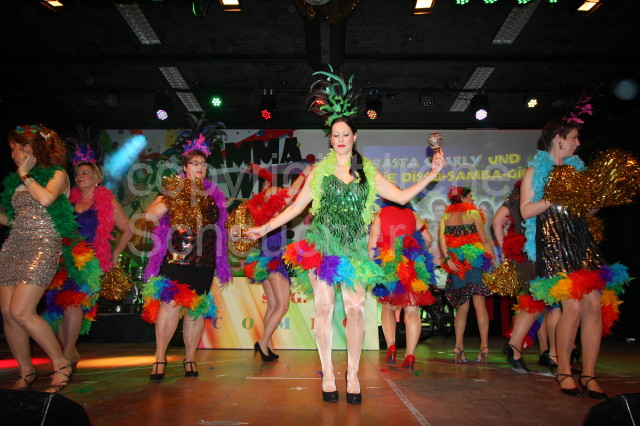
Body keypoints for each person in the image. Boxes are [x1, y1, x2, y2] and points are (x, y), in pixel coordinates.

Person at [247, 69, 444, 404]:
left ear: (354, 137)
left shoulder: (367, 172)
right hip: (322, 244)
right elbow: (296, 208)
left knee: (356, 310)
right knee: (324, 308)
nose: (339, 139)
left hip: (354, 247)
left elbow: (400, 197)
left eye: (345, 134)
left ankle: (352, 374)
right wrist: (263, 228)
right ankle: (328, 373)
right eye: (335, 134)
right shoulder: (319, 172)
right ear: (330, 139)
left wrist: (432, 173)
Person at [522, 116, 630, 399]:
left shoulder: (578, 171)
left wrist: (599, 198)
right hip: (554, 244)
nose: (578, 143)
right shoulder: (535, 171)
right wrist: (554, 195)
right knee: (572, 307)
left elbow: (587, 213)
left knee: (593, 305)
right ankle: (564, 371)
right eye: (573, 137)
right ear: (558, 139)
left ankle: (589, 375)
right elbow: (526, 211)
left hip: (581, 241)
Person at [0, 125, 100, 392]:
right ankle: (26, 370)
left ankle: (61, 363)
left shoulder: (57, 174)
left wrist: (24, 175)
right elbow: (14, 220)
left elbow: (45, 200)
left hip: (42, 246)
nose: (11, 155)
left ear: (28, 148)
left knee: (22, 311)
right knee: (8, 312)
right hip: (13, 246)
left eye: (13, 148)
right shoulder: (18, 182)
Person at [140, 132, 231, 381]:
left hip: (204, 262)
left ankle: (190, 357)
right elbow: (149, 217)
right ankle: (160, 357)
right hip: (176, 259)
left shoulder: (213, 196)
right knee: (170, 305)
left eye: (203, 164)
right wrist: (175, 195)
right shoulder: (172, 189)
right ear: (185, 167)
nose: (200, 168)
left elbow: (220, 231)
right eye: (195, 163)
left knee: (196, 309)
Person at [42, 145, 133, 372]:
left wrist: (115, 253)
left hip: (89, 262)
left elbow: (127, 229)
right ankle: (71, 352)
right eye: (77, 174)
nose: (79, 177)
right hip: (63, 259)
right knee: (56, 308)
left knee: (74, 304)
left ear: (97, 178)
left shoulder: (107, 201)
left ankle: (66, 355)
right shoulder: (67, 201)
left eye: (85, 173)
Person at [242, 163, 311, 361]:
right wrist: (304, 174)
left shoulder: (264, 211)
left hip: (264, 260)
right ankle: (263, 342)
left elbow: (290, 196)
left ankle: (267, 345)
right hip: (273, 261)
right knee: (282, 305)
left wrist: (261, 173)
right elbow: (290, 194)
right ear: (266, 196)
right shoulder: (272, 209)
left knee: (272, 305)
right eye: (274, 191)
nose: (278, 192)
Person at [491, 181, 560, 374]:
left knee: (534, 302)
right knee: (553, 303)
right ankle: (553, 354)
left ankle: (515, 348)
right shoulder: (544, 190)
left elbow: (496, 222)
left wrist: (505, 249)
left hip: (523, 252)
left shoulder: (516, 194)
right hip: (543, 251)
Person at [368, 201, 436, 370]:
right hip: (411, 263)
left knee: (388, 307)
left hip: (388, 263)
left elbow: (372, 243)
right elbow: (428, 239)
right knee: (412, 310)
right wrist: (420, 250)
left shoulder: (380, 214)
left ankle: (391, 346)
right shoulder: (413, 215)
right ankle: (410, 355)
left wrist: (372, 263)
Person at [438, 187, 497, 364]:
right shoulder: (473, 213)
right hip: (475, 262)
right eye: (470, 196)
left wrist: (448, 260)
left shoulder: (445, 217)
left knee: (462, 308)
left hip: (457, 265)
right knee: (480, 305)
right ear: (463, 198)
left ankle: (458, 346)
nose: (473, 200)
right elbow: (484, 240)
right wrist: (494, 262)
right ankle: (484, 347)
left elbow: (442, 242)